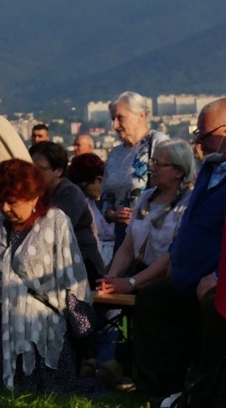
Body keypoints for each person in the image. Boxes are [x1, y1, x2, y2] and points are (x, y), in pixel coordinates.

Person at [0, 159, 92, 392]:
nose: (5, 208)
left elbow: (71, 272)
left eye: (12, 202)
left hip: (44, 323)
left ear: (34, 197)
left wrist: (81, 323)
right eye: (1, 201)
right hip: (4, 321)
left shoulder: (55, 222)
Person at [133, 98, 226, 397]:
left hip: (211, 280)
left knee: (209, 322)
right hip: (185, 274)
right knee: (151, 302)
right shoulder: (212, 168)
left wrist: (217, 275)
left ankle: (203, 393)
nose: (199, 141)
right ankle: (157, 389)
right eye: (197, 133)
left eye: (205, 134)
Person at [97, 139, 194, 294]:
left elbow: (171, 256)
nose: (151, 168)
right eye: (152, 162)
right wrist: (111, 278)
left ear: (179, 171)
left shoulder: (189, 203)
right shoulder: (146, 197)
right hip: (139, 278)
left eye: (159, 164)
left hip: (165, 287)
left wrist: (131, 283)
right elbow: (127, 247)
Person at [101, 91, 168, 250]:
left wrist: (141, 215)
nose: (115, 126)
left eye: (120, 118)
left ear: (142, 116)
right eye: (113, 119)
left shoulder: (157, 143)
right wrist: (112, 214)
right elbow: (105, 196)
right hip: (123, 238)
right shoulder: (115, 154)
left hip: (151, 239)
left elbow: (172, 189)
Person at [29, 141, 104, 283]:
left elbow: (50, 232)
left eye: (39, 169)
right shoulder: (40, 192)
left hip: (82, 268)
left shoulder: (70, 195)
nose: (32, 174)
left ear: (58, 171)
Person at [66, 153, 115, 267]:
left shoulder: (118, 200)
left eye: (84, 188)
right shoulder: (86, 204)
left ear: (99, 180)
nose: (82, 193)